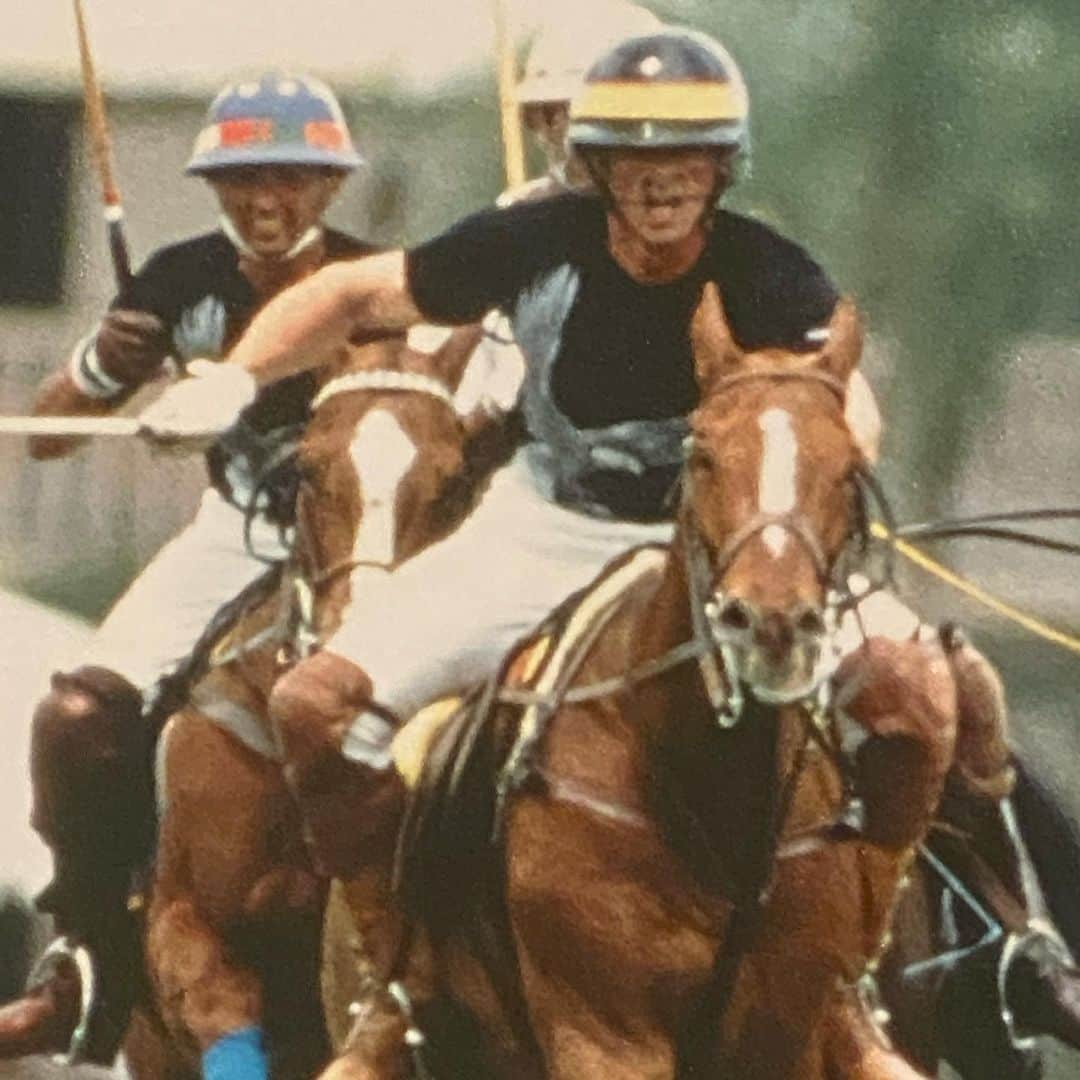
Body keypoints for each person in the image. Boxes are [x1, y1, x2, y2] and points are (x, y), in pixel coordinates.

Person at [139, 29, 1080, 1056]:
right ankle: (396, 981)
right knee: (314, 705)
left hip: (724, 544)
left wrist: (804, 492)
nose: (661, 184)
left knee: (920, 696)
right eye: (634, 161)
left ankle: (854, 976)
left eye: (683, 162)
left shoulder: (765, 267)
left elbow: (842, 394)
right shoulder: (538, 244)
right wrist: (234, 376)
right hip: (546, 528)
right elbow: (354, 295)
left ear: (721, 167)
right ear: (598, 168)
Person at [0, 72, 383, 1065]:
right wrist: (98, 366)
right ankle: (86, 961)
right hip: (241, 530)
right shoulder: (179, 280)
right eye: (241, 180)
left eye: (291, 180)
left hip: (370, 536)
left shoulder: (377, 282)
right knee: (77, 718)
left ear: (331, 185)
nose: (266, 203)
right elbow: (48, 439)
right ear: (215, 187)